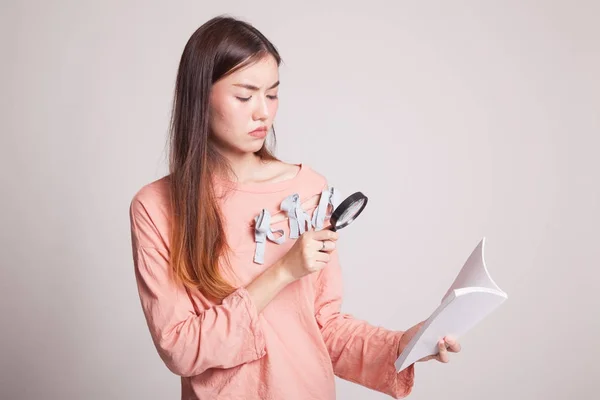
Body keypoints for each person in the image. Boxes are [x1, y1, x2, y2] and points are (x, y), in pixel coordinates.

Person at [128, 15, 461, 400]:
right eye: (244, 95)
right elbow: (181, 348)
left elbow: (324, 327)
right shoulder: (156, 207)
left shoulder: (307, 189)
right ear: (200, 95)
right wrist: (282, 272)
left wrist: (403, 345)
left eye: (271, 94)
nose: (263, 113)